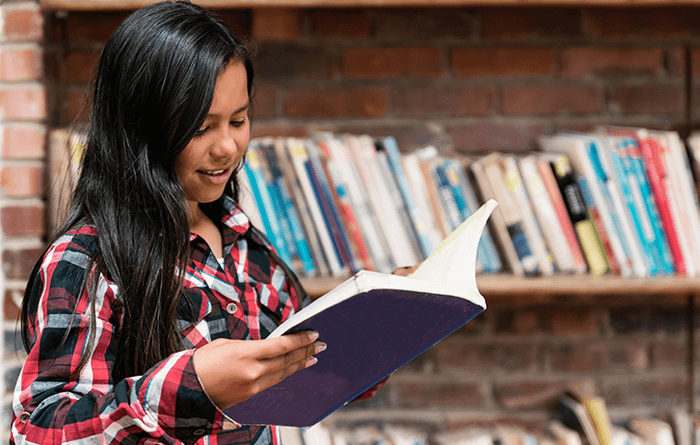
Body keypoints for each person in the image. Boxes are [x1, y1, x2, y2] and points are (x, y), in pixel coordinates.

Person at [11, 2, 331, 444]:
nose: (227, 147)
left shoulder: (242, 239)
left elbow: (307, 365)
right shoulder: (86, 261)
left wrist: (391, 315)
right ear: (139, 129)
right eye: (201, 128)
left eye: (239, 120)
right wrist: (191, 388)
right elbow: (38, 431)